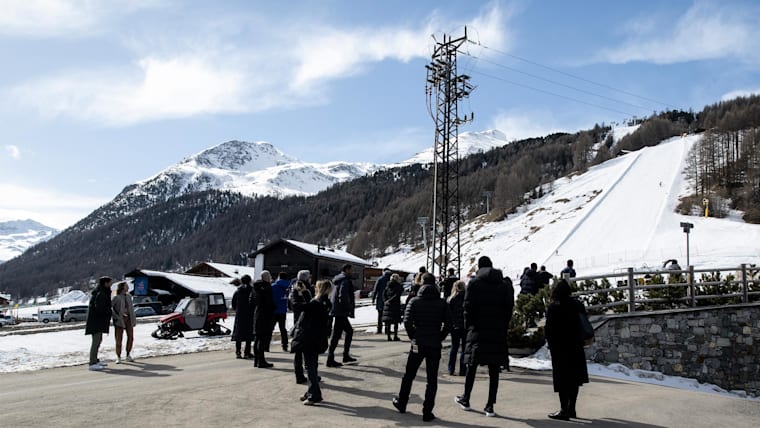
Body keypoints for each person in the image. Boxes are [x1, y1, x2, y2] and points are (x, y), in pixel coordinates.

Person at [455, 256, 514, 418]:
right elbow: (509, 308)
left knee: (471, 366)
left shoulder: (474, 284)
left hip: (477, 330)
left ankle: (466, 398)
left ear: (479, 268)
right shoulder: (503, 285)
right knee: (494, 370)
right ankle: (490, 406)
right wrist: (503, 326)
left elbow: (467, 308)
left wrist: (469, 327)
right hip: (497, 331)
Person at [392, 273, 451, 422]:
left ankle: (402, 402)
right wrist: (440, 336)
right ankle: (427, 411)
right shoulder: (442, 303)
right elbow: (448, 324)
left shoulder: (415, 301)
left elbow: (407, 321)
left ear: (422, 283)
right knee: (432, 379)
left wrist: (414, 336)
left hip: (418, 342)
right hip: (434, 344)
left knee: (409, 374)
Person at [545, 279, 589, 421]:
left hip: (560, 348)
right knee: (574, 379)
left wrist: (550, 346)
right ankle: (572, 408)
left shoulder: (553, 307)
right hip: (576, 346)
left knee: (562, 379)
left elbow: (549, 330)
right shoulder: (577, 305)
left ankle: (564, 409)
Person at [291, 279, 333, 406]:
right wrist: (304, 292)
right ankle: (310, 392)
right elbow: (310, 303)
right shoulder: (326, 303)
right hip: (318, 338)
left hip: (309, 338)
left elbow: (297, 306)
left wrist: (294, 293)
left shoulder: (316, 304)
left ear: (319, 289)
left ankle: (314, 395)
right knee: (313, 365)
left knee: (309, 367)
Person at [327, 264, 356, 367]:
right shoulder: (345, 281)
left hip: (337, 310)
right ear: (347, 270)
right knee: (343, 333)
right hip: (341, 311)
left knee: (338, 334)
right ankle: (338, 357)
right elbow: (342, 295)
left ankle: (336, 356)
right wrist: (348, 307)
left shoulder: (337, 280)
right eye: (351, 270)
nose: (352, 272)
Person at [85, 276, 113, 371]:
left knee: (98, 340)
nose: (111, 285)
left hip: (97, 322)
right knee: (96, 342)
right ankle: (92, 362)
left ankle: (95, 360)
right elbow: (100, 308)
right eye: (109, 283)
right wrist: (108, 311)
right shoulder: (101, 293)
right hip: (96, 322)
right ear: (105, 283)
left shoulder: (102, 292)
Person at [289, 277, 313, 384]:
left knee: (305, 353)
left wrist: (304, 292)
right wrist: (298, 292)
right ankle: (300, 376)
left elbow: (310, 304)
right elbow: (296, 306)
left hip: (304, 324)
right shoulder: (294, 295)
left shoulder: (305, 292)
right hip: (300, 325)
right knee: (300, 353)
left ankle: (309, 374)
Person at [252, 271, 275, 368]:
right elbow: (268, 301)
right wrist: (274, 306)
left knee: (257, 338)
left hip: (258, 313)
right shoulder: (267, 287)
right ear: (266, 277)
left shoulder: (256, 287)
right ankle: (261, 361)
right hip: (265, 315)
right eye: (269, 276)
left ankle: (257, 360)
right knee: (262, 339)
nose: (270, 278)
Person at [111, 281, 136, 364]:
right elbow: (111, 308)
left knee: (130, 337)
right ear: (122, 287)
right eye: (126, 286)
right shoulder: (116, 297)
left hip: (129, 319)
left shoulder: (129, 296)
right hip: (120, 320)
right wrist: (116, 316)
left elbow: (131, 308)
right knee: (119, 339)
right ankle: (118, 356)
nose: (128, 287)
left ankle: (128, 354)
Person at [231, 275, 255, 360]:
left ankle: (238, 352)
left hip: (240, 314)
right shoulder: (252, 290)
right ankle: (247, 352)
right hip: (249, 314)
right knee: (249, 333)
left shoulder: (238, 290)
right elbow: (254, 301)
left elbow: (233, 303)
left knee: (239, 333)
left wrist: (237, 309)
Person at [446, 280, 466, 376]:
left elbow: (448, 315)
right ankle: (463, 369)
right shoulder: (467, 298)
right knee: (464, 348)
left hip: (454, 326)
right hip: (465, 325)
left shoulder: (451, 299)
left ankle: (451, 369)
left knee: (454, 347)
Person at [271, 272, 291, 352]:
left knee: (270, 328)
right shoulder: (288, 286)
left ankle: (266, 345)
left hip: (274, 310)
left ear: (279, 277)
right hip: (283, 310)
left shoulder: (274, 286)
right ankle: (285, 345)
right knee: (283, 329)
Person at [382, 273, 404, 341]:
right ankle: (395, 336)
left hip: (387, 305)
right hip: (395, 305)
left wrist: (386, 301)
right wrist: (391, 300)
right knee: (395, 321)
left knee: (388, 321)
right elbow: (397, 295)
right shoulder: (398, 286)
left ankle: (388, 336)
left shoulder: (388, 285)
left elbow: (384, 294)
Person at [372, 269, 392, 334]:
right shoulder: (391, 280)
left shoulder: (380, 279)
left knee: (380, 315)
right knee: (388, 315)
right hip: (388, 300)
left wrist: (373, 298)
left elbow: (375, 289)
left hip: (380, 299)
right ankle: (387, 329)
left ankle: (379, 329)